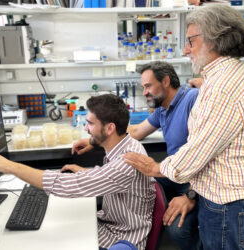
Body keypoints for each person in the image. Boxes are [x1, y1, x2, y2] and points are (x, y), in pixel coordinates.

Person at [123, 4, 244, 250]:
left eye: (191, 40)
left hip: (228, 202)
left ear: (215, 39)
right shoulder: (225, 77)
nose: (186, 49)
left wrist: (156, 167)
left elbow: (198, 151)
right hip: (226, 195)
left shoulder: (223, 87)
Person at [0, 94, 156, 250]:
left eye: (90, 124)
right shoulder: (126, 144)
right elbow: (110, 176)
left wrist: (10, 167)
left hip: (121, 238)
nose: (86, 129)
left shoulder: (125, 163)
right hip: (109, 224)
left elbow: (65, 185)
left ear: (110, 128)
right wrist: (87, 173)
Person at [73, 61, 200, 250]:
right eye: (143, 87)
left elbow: (205, 154)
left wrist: (191, 195)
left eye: (148, 86)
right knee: (140, 184)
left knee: (177, 230)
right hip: (173, 175)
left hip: (196, 181)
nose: (144, 92)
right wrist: (94, 140)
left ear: (165, 81)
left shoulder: (192, 99)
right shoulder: (163, 109)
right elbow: (138, 131)